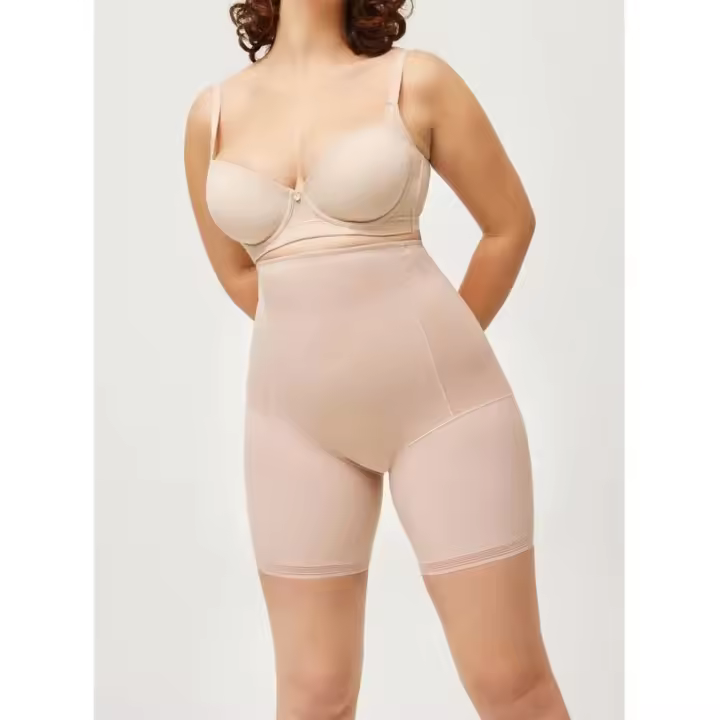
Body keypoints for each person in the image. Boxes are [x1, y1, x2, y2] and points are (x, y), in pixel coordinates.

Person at [184, 1, 570, 718]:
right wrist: (326, 355)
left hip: (444, 414)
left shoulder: (415, 82)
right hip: (292, 428)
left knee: (509, 683)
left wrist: (431, 355)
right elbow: (239, 274)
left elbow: (508, 224)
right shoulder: (211, 117)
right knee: (313, 696)